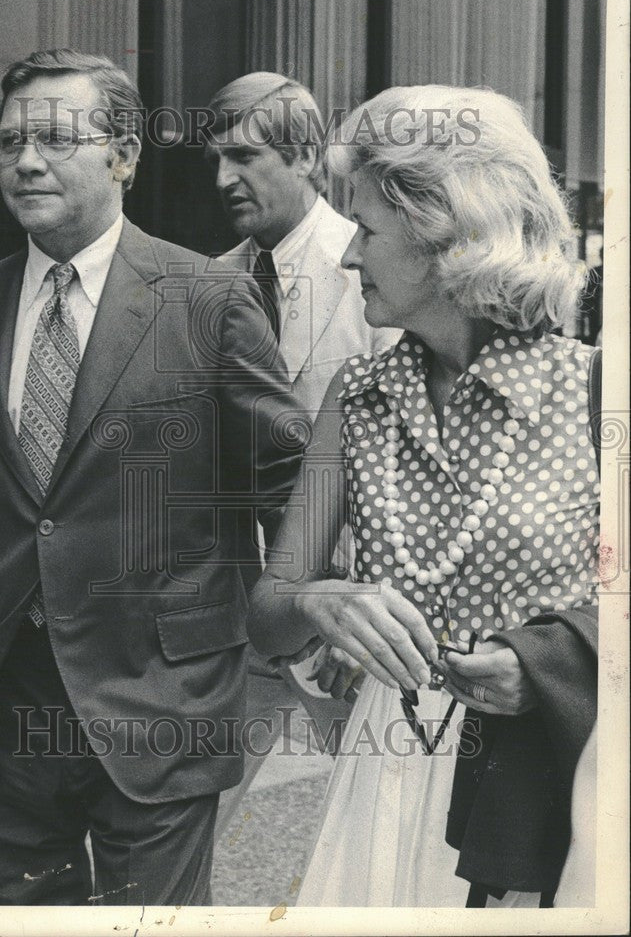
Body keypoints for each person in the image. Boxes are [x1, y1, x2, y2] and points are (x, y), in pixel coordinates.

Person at [0, 49, 306, 906]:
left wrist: (292, 622)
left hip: (161, 695)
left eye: (56, 138)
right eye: (8, 142)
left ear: (125, 156)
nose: (26, 160)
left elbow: (293, 479)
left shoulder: (206, 299)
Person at [247, 85, 600, 906]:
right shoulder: (356, 393)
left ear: (446, 235)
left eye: (366, 230)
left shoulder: (593, 391)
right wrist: (318, 603)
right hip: (382, 767)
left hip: (538, 771)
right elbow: (265, 612)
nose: (345, 256)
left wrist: (549, 667)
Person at [204, 72, 400, 837]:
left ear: (308, 155)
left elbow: (400, 449)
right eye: (216, 160)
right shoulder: (208, 285)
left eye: (246, 157)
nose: (225, 179)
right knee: (189, 830)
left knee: (376, 834)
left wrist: (368, 595)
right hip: (236, 617)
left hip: (351, 617)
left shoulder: (376, 269)